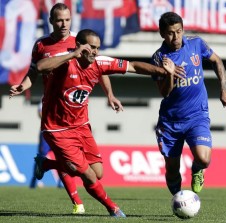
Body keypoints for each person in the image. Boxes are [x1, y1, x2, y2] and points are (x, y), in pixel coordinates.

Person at [9, 28, 184, 217]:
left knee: (97, 172)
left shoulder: (99, 62)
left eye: (97, 48)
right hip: (57, 129)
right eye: (91, 47)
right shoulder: (64, 62)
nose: (95, 52)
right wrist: (73, 55)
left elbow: (133, 66)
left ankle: (47, 165)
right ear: (78, 46)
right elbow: (41, 67)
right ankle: (113, 208)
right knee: (87, 174)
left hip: (82, 126)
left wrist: (163, 71)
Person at [12, 3, 124, 214]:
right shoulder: (41, 45)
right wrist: (23, 85)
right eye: (59, 20)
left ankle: (47, 165)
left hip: (79, 116)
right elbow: (34, 72)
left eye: (67, 19)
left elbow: (100, 66)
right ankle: (101, 207)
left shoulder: (79, 41)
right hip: (55, 114)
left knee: (96, 172)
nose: (63, 24)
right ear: (51, 21)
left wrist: (110, 94)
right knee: (80, 170)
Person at [151, 12, 226, 196]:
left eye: (179, 31)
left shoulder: (196, 43)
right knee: (172, 168)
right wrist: (171, 74)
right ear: (162, 34)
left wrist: (224, 88)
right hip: (170, 121)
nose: (176, 37)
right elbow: (164, 93)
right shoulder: (159, 58)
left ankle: (197, 170)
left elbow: (217, 61)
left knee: (204, 159)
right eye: (171, 33)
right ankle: (178, 199)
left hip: (197, 115)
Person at [29, 100, 63, 189]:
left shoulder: (61, 99)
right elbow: (40, 113)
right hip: (46, 132)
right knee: (41, 157)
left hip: (58, 133)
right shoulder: (44, 100)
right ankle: (34, 180)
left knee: (61, 157)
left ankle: (62, 181)